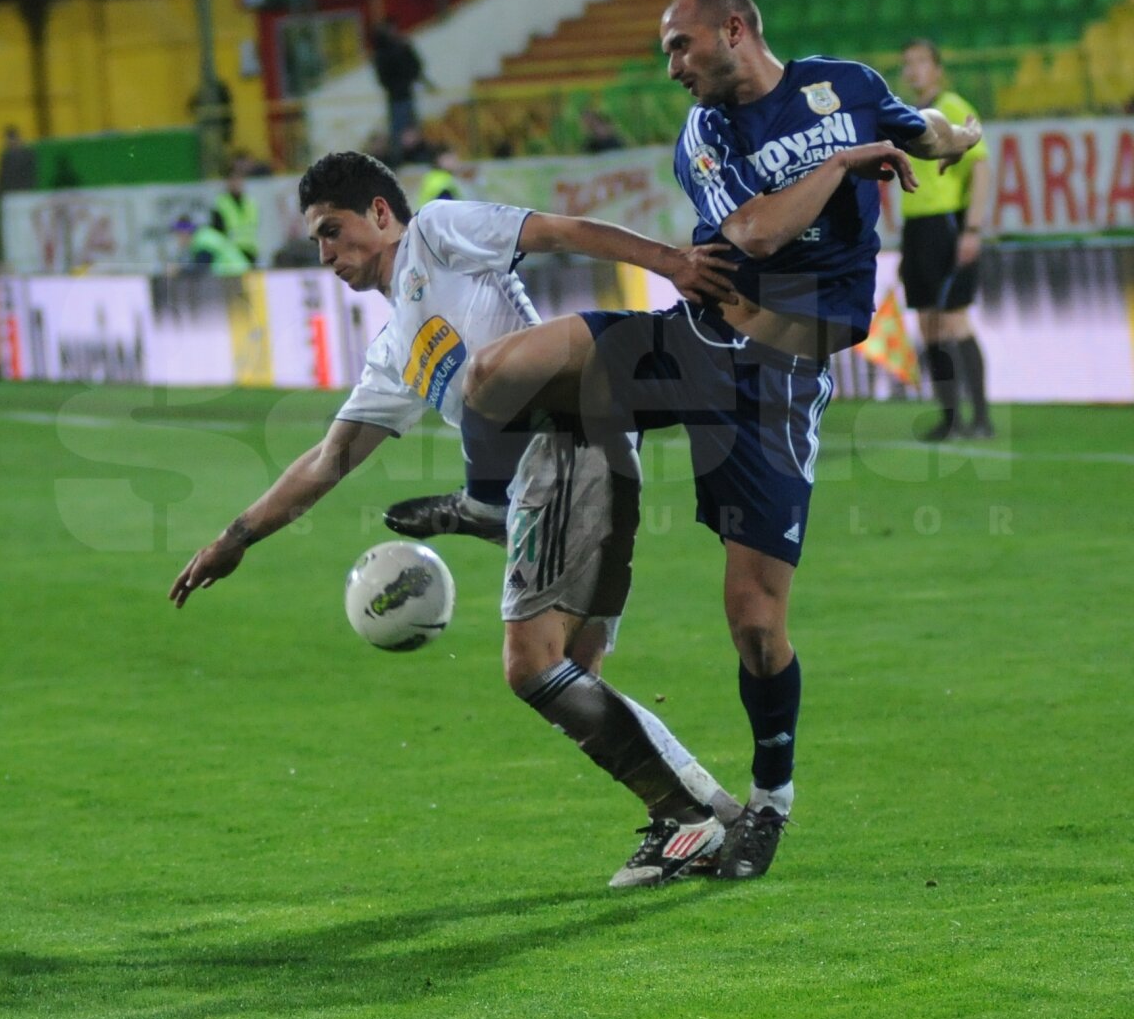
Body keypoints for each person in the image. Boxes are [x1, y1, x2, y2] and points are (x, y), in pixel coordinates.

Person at [464, 0, 981, 884]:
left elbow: (924, 130)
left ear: (733, 30)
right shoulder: (707, 131)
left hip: (780, 381)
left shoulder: (844, 87)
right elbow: (755, 231)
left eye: (679, 47)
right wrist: (844, 165)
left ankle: (768, 805)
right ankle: (514, 523)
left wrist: (955, 135)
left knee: (754, 620)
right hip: (690, 342)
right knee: (500, 372)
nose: (672, 67)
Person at [169, 151, 743, 885]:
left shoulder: (435, 234)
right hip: (579, 452)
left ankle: (689, 819)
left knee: (534, 664)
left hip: (562, 437)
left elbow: (558, 230)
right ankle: (706, 815)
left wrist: (671, 263)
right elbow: (329, 458)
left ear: (380, 212)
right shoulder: (393, 353)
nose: (325, 255)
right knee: (572, 672)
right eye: (316, 240)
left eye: (333, 231)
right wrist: (235, 538)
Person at [898, 38, 993, 439]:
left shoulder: (952, 106)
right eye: (909, 63)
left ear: (937, 68)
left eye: (922, 62)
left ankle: (982, 417)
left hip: (945, 225)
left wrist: (972, 227)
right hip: (915, 227)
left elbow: (981, 166)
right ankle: (950, 419)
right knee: (929, 324)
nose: (914, 70)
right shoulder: (906, 115)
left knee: (955, 319)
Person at [371, 20, 433, 162]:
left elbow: (414, 67)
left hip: (401, 95)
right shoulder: (390, 51)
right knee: (402, 129)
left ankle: (410, 157)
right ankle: (402, 158)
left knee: (407, 129)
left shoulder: (389, 50)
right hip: (398, 95)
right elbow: (413, 67)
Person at [213, 158, 261, 265]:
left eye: (239, 179)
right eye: (233, 179)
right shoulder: (221, 205)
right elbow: (217, 234)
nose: (236, 183)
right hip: (231, 256)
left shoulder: (251, 203)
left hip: (251, 253)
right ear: (227, 182)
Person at [171, 214, 250, 276]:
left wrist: (180, 270)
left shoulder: (202, 242)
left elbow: (200, 269)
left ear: (184, 233)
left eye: (177, 235)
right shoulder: (204, 235)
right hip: (238, 273)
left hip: (233, 275)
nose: (177, 240)